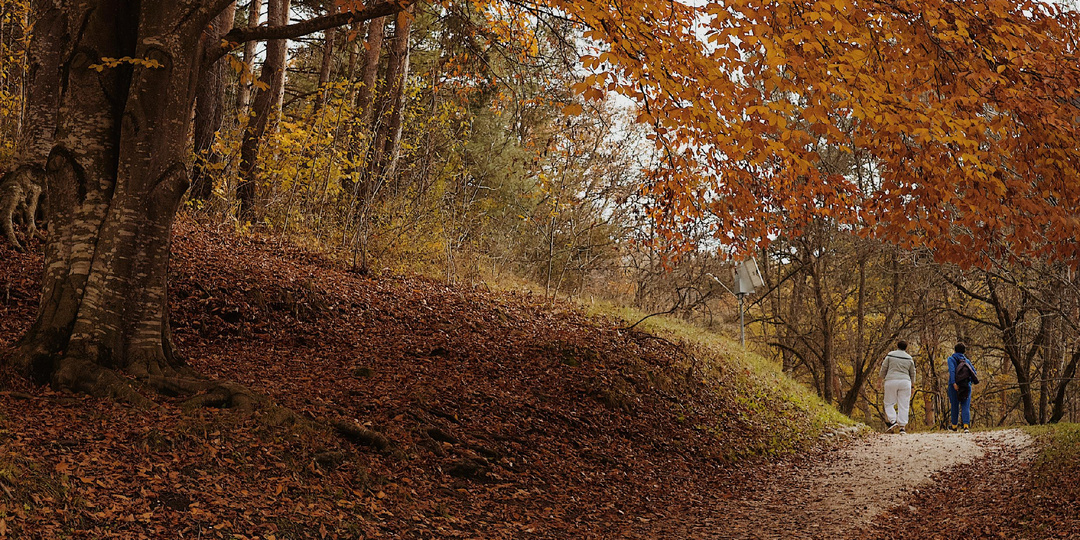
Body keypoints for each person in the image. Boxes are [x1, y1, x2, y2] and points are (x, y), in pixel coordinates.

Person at [880, 340, 916, 433]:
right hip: (905, 381)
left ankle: (893, 420)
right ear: (906, 348)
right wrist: (912, 386)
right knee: (904, 404)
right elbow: (913, 373)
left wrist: (880, 380)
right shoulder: (909, 358)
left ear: (897, 346)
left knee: (888, 403)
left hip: (891, 380)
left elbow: (884, 368)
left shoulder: (890, 355)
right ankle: (902, 427)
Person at [947, 343, 978, 432]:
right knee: (965, 405)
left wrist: (954, 383)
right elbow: (974, 373)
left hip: (954, 386)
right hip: (966, 385)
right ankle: (966, 426)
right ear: (964, 351)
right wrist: (969, 382)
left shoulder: (951, 359)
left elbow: (952, 371)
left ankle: (954, 426)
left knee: (954, 405)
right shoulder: (966, 361)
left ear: (955, 350)